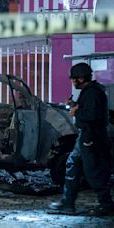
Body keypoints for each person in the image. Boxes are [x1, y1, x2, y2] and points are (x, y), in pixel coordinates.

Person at [49, 63, 114, 216]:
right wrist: (74, 106)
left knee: (93, 171)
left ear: (81, 78)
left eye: (73, 79)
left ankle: (106, 204)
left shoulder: (92, 93)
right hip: (85, 136)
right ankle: (67, 203)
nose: (72, 82)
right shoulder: (90, 91)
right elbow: (87, 109)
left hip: (91, 137)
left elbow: (92, 116)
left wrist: (75, 112)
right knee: (72, 164)